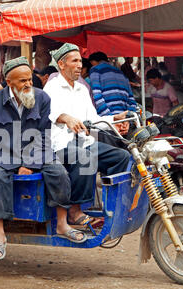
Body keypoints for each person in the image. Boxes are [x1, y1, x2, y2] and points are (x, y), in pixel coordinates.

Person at [0, 56, 80, 261]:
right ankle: (0, 233)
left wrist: (29, 164)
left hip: (37, 152)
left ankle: (62, 223)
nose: (28, 84)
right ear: (9, 82)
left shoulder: (42, 98)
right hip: (4, 154)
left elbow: (43, 135)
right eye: (22, 81)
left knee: (59, 173)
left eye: (29, 79)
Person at [44, 43, 131, 227]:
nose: (79, 65)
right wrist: (66, 117)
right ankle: (74, 210)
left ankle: (112, 207)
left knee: (121, 156)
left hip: (83, 141)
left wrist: (114, 120)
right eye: (74, 61)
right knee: (85, 156)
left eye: (80, 61)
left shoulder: (82, 89)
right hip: (59, 145)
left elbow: (94, 119)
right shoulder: (52, 87)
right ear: (61, 64)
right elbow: (50, 113)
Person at [88, 51, 137, 116]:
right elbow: (131, 100)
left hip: (108, 121)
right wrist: (127, 118)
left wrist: (110, 117)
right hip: (124, 120)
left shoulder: (95, 70)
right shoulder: (120, 73)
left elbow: (96, 95)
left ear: (93, 61)